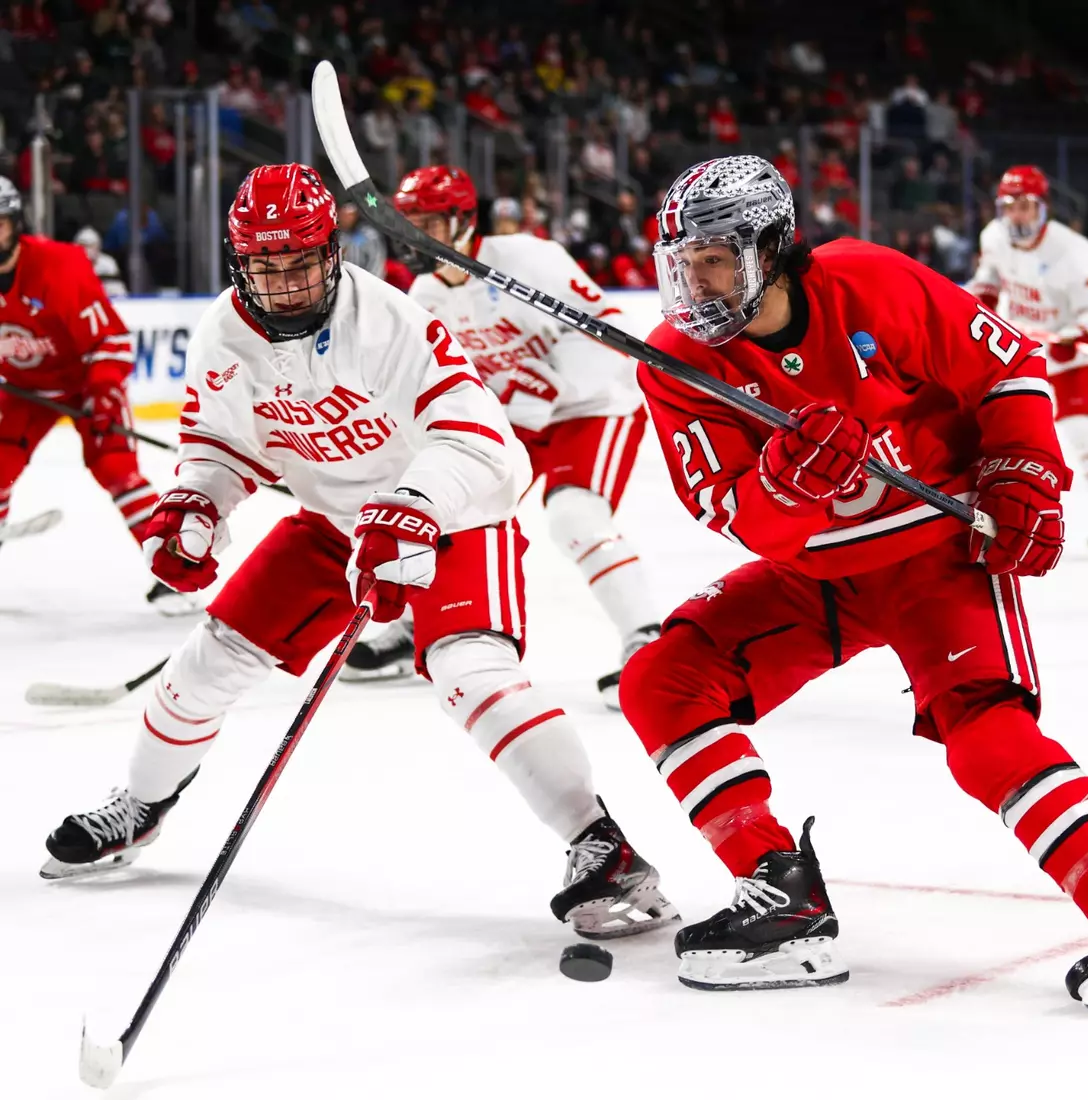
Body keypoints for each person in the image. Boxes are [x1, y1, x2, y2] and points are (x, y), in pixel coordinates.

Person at [620, 155, 1088, 1012]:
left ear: (769, 249)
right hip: (817, 572)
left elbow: (1010, 369)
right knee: (665, 678)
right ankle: (781, 895)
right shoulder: (677, 361)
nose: (693, 279)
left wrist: (1024, 469)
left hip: (935, 555)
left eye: (714, 256)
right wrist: (788, 484)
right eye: (681, 259)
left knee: (984, 732)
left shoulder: (873, 283)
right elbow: (729, 510)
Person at [39, 165, 677, 944]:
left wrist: (412, 507)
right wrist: (198, 507)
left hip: (455, 519)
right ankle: (141, 805)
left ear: (332, 252)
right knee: (208, 661)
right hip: (333, 521)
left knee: (469, 671)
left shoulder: (392, 321)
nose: (283, 283)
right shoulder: (222, 335)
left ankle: (602, 845)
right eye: (265, 266)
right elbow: (217, 445)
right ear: (240, 261)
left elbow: (485, 443)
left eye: (300, 262)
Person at [344, 165, 659, 707]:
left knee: (574, 515)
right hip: (518, 414)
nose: (415, 235)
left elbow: (609, 328)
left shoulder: (528, 259)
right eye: (407, 222)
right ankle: (419, 626)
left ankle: (648, 640)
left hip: (593, 405)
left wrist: (552, 382)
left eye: (429, 223)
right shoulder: (424, 294)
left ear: (464, 220)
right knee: (442, 501)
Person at [0, 177, 183, 612]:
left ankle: (176, 567)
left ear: (15, 221)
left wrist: (101, 396)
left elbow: (110, 342)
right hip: (24, 389)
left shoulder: (57, 266)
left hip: (85, 382)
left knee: (116, 468)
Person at [967, 165, 1088, 558]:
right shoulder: (993, 237)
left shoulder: (1074, 251)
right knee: (1001, 432)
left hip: (1068, 352)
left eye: (1025, 206)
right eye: (1009, 206)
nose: (1017, 215)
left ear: (1044, 208)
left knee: (1081, 430)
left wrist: (1080, 336)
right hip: (1020, 352)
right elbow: (987, 279)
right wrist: (980, 304)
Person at [74, 226, 129, 298]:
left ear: (98, 247)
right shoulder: (69, 265)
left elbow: (119, 292)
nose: (86, 250)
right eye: (82, 246)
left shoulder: (108, 263)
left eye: (90, 246)